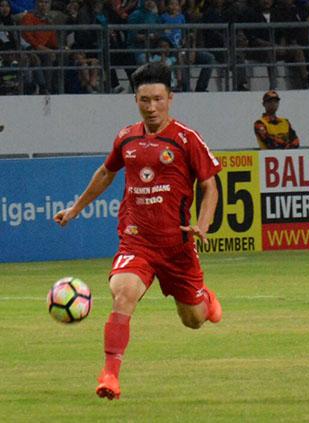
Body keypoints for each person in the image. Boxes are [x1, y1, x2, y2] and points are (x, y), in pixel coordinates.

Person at [54, 62, 223, 400]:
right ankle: (110, 376)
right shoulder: (126, 137)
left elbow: (210, 185)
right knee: (123, 293)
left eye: (158, 99)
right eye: (145, 100)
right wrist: (76, 208)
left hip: (177, 246)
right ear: (136, 100)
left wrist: (203, 225)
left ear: (170, 98)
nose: (152, 107)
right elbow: (105, 173)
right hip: (137, 241)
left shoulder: (186, 139)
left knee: (193, 319)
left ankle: (204, 298)